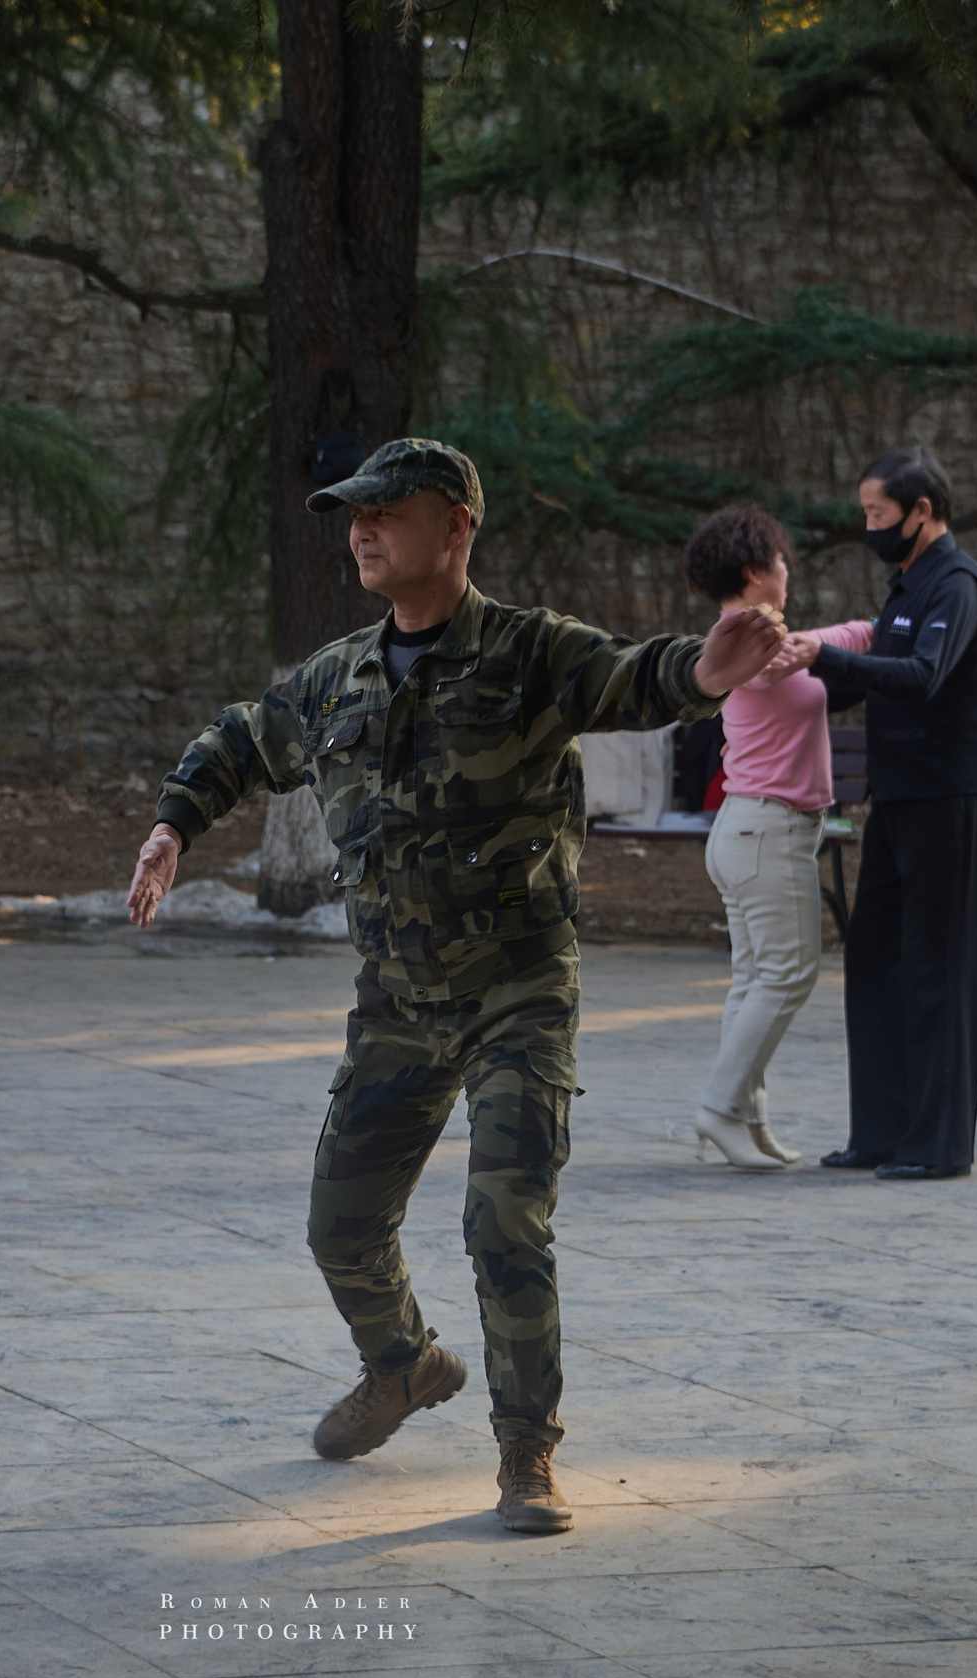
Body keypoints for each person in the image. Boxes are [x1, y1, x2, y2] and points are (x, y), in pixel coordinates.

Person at [125, 438, 786, 1535]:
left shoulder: (529, 653)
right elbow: (243, 740)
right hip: (397, 1000)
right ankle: (403, 1364)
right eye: (354, 514)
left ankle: (527, 1450)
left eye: (388, 510)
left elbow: (631, 675)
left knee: (504, 1221)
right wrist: (170, 824)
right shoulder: (336, 675)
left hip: (516, 993)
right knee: (338, 1225)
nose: (364, 530)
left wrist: (704, 674)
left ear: (457, 526)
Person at [776, 446, 977, 1181]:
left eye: (877, 514)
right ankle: (879, 1132)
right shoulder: (905, 587)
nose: (868, 526)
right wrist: (792, 668)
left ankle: (937, 1145)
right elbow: (871, 680)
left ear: (922, 512)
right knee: (875, 963)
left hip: (951, 799)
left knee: (938, 967)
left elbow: (923, 677)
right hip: (898, 801)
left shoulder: (957, 586)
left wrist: (828, 660)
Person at [679, 503, 875, 1172]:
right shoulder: (749, 637)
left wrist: (865, 631)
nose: (787, 569)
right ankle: (718, 1107)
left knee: (757, 978)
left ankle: (744, 1118)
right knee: (788, 973)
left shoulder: (757, 630)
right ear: (753, 570)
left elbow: (817, 642)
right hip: (766, 829)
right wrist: (864, 632)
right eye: (780, 560)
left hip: (752, 828)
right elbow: (787, 658)